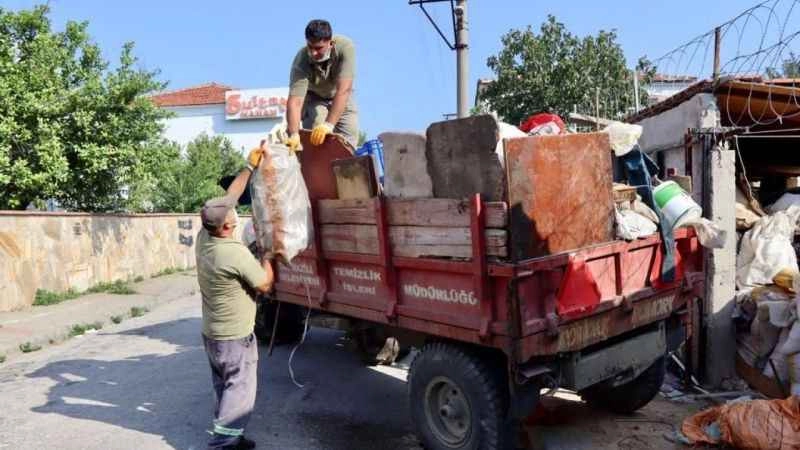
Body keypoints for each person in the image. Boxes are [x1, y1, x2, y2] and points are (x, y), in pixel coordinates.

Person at [196, 148, 274, 450]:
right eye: (233, 215)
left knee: (224, 388)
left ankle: (232, 437)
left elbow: (230, 196)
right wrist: (270, 253)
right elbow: (265, 284)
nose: (235, 213)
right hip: (234, 338)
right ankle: (223, 445)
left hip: (212, 334)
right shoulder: (233, 252)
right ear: (227, 227)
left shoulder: (205, 237)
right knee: (239, 393)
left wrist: (249, 166)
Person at [284, 19, 358, 150]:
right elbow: (295, 102)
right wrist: (294, 134)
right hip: (314, 99)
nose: (313, 53)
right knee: (316, 132)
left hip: (340, 96)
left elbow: (344, 90)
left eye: (318, 48)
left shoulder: (345, 47)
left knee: (349, 141)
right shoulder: (301, 61)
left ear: (330, 43)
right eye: (310, 47)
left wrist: (329, 125)